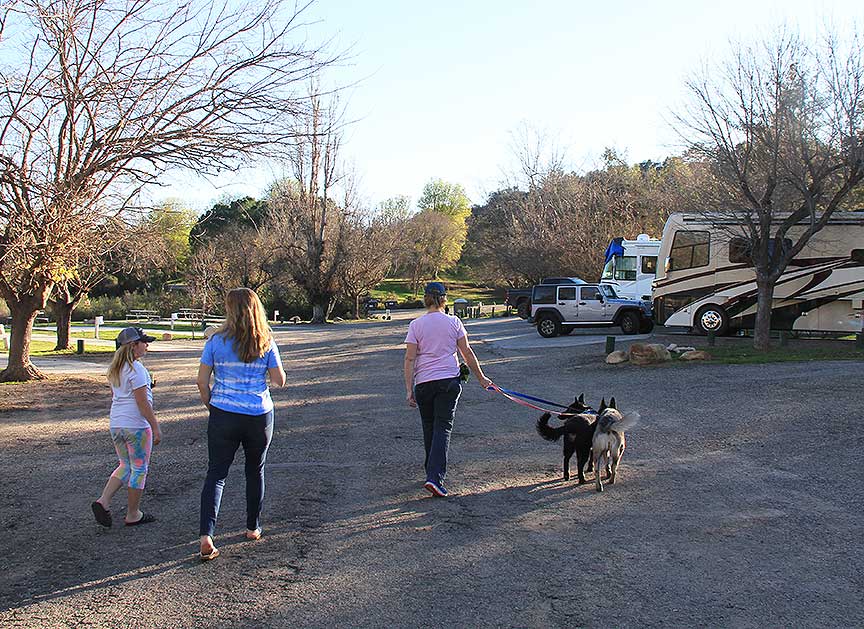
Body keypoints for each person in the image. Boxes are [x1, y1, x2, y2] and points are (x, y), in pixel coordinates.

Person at [197, 288, 286, 561]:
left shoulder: (215, 342)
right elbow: (279, 380)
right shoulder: (266, 342)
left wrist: (212, 404)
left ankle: (206, 535)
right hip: (258, 414)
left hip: (224, 412)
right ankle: (252, 526)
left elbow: (202, 381)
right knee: (255, 470)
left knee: (217, 473)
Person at [404, 282, 492, 497]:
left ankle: (431, 474)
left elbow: (409, 358)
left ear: (426, 299)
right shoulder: (454, 322)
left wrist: (409, 389)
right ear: (444, 299)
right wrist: (481, 378)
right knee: (442, 428)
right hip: (447, 381)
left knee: (429, 427)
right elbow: (467, 353)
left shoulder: (416, 325)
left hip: (424, 383)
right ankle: (434, 478)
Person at [91, 327, 160, 528]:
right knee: (139, 468)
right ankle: (133, 513)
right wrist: (155, 426)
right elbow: (142, 403)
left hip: (117, 424)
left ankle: (103, 501)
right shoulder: (137, 369)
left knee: (125, 465)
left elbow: (121, 396)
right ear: (133, 346)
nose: (147, 345)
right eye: (144, 342)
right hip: (136, 426)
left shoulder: (116, 369)